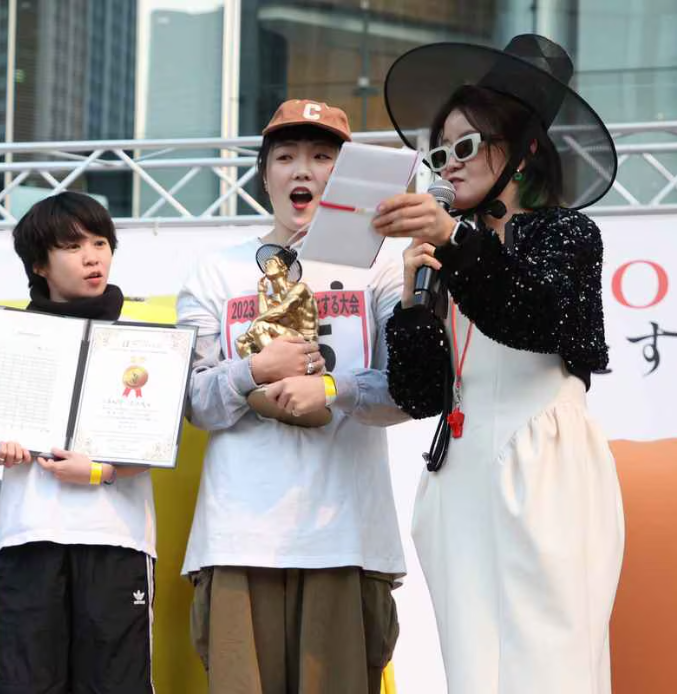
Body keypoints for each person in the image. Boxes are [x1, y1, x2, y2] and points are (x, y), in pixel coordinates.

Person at [374, 34, 625, 694]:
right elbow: (419, 393)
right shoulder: (448, 251)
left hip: (542, 463)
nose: (449, 166)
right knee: (474, 671)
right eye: (440, 152)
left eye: (467, 146)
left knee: (549, 664)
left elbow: (534, 317)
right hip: (460, 474)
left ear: (524, 150)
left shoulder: (565, 233)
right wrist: (412, 303)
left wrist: (453, 241)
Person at [177, 99, 406, 694]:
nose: (302, 169)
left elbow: (406, 390)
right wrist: (252, 372)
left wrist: (331, 388)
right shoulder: (215, 272)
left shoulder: (383, 268)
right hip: (239, 537)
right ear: (265, 175)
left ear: (346, 175)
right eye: (286, 157)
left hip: (346, 537)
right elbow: (193, 401)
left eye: (322, 156)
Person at [0, 192, 154, 694]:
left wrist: (100, 471)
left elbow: (152, 445)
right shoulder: (10, 337)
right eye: (72, 247)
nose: (92, 257)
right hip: (29, 537)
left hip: (116, 540)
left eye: (100, 243)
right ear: (39, 264)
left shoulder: (142, 339)